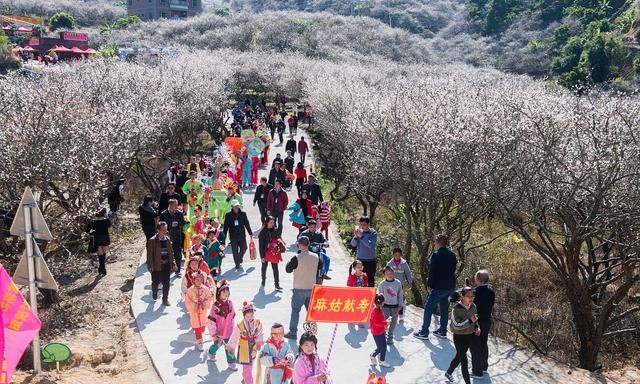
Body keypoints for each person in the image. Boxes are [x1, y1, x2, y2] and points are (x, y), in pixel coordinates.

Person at [414, 234, 457, 340]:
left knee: (428, 307)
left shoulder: (436, 255)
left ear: (438, 243)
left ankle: (424, 332)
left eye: (435, 242)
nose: (434, 244)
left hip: (439, 287)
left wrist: (429, 285)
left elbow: (432, 272)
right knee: (444, 308)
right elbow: (453, 270)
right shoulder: (452, 255)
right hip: (450, 286)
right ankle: (442, 331)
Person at [284, 237, 322, 340]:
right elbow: (320, 267)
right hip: (312, 288)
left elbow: (288, 269)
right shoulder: (316, 256)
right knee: (310, 312)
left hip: (299, 288)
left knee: (295, 311)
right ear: (309, 244)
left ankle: (293, 332)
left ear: (299, 244)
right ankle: (312, 332)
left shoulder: (296, 257)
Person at [445, 287, 480, 384]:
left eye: (473, 296)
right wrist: (470, 321)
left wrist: (477, 327)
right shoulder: (456, 309)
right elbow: (456, 326)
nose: (471, 298)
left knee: (459, 357)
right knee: (464, 361)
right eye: (469, 296)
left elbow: (475, 320)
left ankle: (448, 373)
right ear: (462, 296)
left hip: (470, 336)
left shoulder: (473, 306)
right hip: (459, 337)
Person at [227, 302, 264, 384]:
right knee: (247, 366)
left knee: (251, 364)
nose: (250, 318)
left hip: (253, 347)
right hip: (244, 347)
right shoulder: (240, 325)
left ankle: (246, 377)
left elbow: (260, 333)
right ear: (244, 316)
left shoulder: (257, 323)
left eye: (252, 315)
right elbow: (234, 336)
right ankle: (248, 381)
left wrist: (258, 343)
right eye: (247, 316)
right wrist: (231, 346)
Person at [470, 270, 495, 379]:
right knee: (483, 344)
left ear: (478, 279)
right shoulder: (491, 291)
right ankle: (484, 367)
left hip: (477, 321)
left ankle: (477, 371)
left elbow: (470, 306)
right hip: (487, 321)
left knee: (475, 346)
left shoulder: (476, 292)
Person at [207, 279, 237, 369]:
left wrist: (233, 329)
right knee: (217, 345)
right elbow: (211, 321)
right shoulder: (215, 306)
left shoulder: (230, 303)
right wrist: (214, 333)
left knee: (230, 346)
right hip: (219, 332)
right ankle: (211, 352)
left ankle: (231, 362)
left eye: (227, 291)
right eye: (223, 291)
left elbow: (232, 317)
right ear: (219, 293)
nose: (226, 293)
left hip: (228, 330)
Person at [146, 222, 178, 306]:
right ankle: (155, 291)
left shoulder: (167, 239)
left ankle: (165, 299)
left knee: (166, 283)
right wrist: (150, 265)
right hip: (156, 265)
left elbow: (171, 253)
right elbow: (149, 254)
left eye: (166, 230)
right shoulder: (152, 240)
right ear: (158, 230)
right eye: (162, 230)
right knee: (156, 282)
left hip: (166, 264)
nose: (164, 231)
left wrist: (173, 263)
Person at [185, 271, 213, 351]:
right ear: (193, 280)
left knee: (202, 327)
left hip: (203, 312)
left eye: (200, 279)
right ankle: (200, 342)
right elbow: (187, 301)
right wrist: (194, 305)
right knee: (197, 328)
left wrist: (204, 303)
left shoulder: (206, 289)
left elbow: (209, 298)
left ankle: (199, 335)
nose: (199, 281)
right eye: (197, 279)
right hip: (194, 312)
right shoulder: (190, 290)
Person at [223, 200, 253, 270]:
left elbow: (247, 224)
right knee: (234, 250)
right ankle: (237, 263)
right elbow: (225, 227)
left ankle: (240, 257)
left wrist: (250, 233)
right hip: (233, 236)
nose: (236, 207)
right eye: (235, 206)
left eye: (237, 206)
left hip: (242, 235)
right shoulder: (228, 215)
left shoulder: (243, 214)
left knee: (244, 248)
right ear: (232, 207)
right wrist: (223, 237)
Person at [386, 247, 413, 322]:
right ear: (393, 255)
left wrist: (410, 281)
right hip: (391, 285)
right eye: (395, 254)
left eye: (398, 255)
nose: (397, 256)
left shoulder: (404, 263)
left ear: (401, 255)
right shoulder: (389, 263)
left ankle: (401, 316)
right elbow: (386, 273)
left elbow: (408, 272)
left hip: (400, 285)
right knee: (391, 300)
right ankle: (391, 316)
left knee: (400, 301)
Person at [159, 199, 185, 276]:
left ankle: (178, 270)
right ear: (170, 205)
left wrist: (178, 224)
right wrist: (170, 225)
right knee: (167, 253)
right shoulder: (163, 214)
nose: (177, 207)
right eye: (175, 205)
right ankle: (169, 269)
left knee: (177, 253)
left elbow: (183, 222)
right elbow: (160, 225)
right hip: (167, 237)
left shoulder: (179, 213)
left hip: (177, 236)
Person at [378, 266, 403, 346]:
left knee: (393, 322)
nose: (389, 275)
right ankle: (383, 335)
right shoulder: (382, 284)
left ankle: (390, 336)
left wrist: (400, 304)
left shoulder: (397, 283)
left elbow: (400, 294)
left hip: (395, 307)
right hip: (385, 306)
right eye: (387, 274)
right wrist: (379, 305)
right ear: (384, 275)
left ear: (394, 273)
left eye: (391, 273)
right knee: (384, 322)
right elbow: (379, 295)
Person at [350, 216, 378, 288]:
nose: (362, 226)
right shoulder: (360, 232)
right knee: (359, 279)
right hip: (360, 260)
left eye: (364, 224)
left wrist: (361, 236)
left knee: (370, 279)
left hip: (371, 260)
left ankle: (371, 297)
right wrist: (356, 237)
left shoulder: (373, 233)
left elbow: (370, 245)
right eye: (361, 224)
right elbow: (353, 244)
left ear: (368, 224)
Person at [258, 216, 284, 290]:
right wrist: (262, 257)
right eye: (271, 222)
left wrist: (279, 242)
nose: (273, 224)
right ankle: (263, 281)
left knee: (275, 268)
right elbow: (260, 246)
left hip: (273, 252)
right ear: (267, 222)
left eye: (273, 222)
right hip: (265, 252)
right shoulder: (262, 232)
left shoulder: (275, 230)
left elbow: (278, 238)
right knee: (264, 268)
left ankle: (277, 284)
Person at [86, 207, 111, 276]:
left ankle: (101, 268)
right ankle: (102, 268)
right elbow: (109, 226)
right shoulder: (107, 221)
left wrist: (92, 233)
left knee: (100, 254)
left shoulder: (92, 222)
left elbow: (87, 231)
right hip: (105, 238)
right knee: (104, 253)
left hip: (97, 239)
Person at [369, 294, 391, 368]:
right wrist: (386, 322)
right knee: (380, 347)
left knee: (384, 346)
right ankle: (373, 355)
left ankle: (382, 361)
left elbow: (379, 321)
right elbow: (377, 323)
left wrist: (385, 323)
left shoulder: (379, 309)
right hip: (376, 332)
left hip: (381, 331)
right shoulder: (375, 311)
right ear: (382, 302)